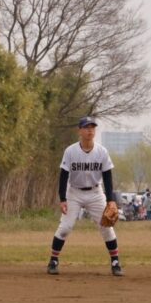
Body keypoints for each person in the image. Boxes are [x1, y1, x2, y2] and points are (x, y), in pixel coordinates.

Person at [46, 117, 123, 277]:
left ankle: (115, 262)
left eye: (92, 127)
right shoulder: (71, 151)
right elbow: (63, 175)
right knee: (65, 227)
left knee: (106, 227)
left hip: (96, 193)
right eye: (86, 127)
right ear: (80, 131)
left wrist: (110, 199)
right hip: (74, 193)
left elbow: (108, 176)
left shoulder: (101, 151)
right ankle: (53, 261)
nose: (90, 130)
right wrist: (62, 199)